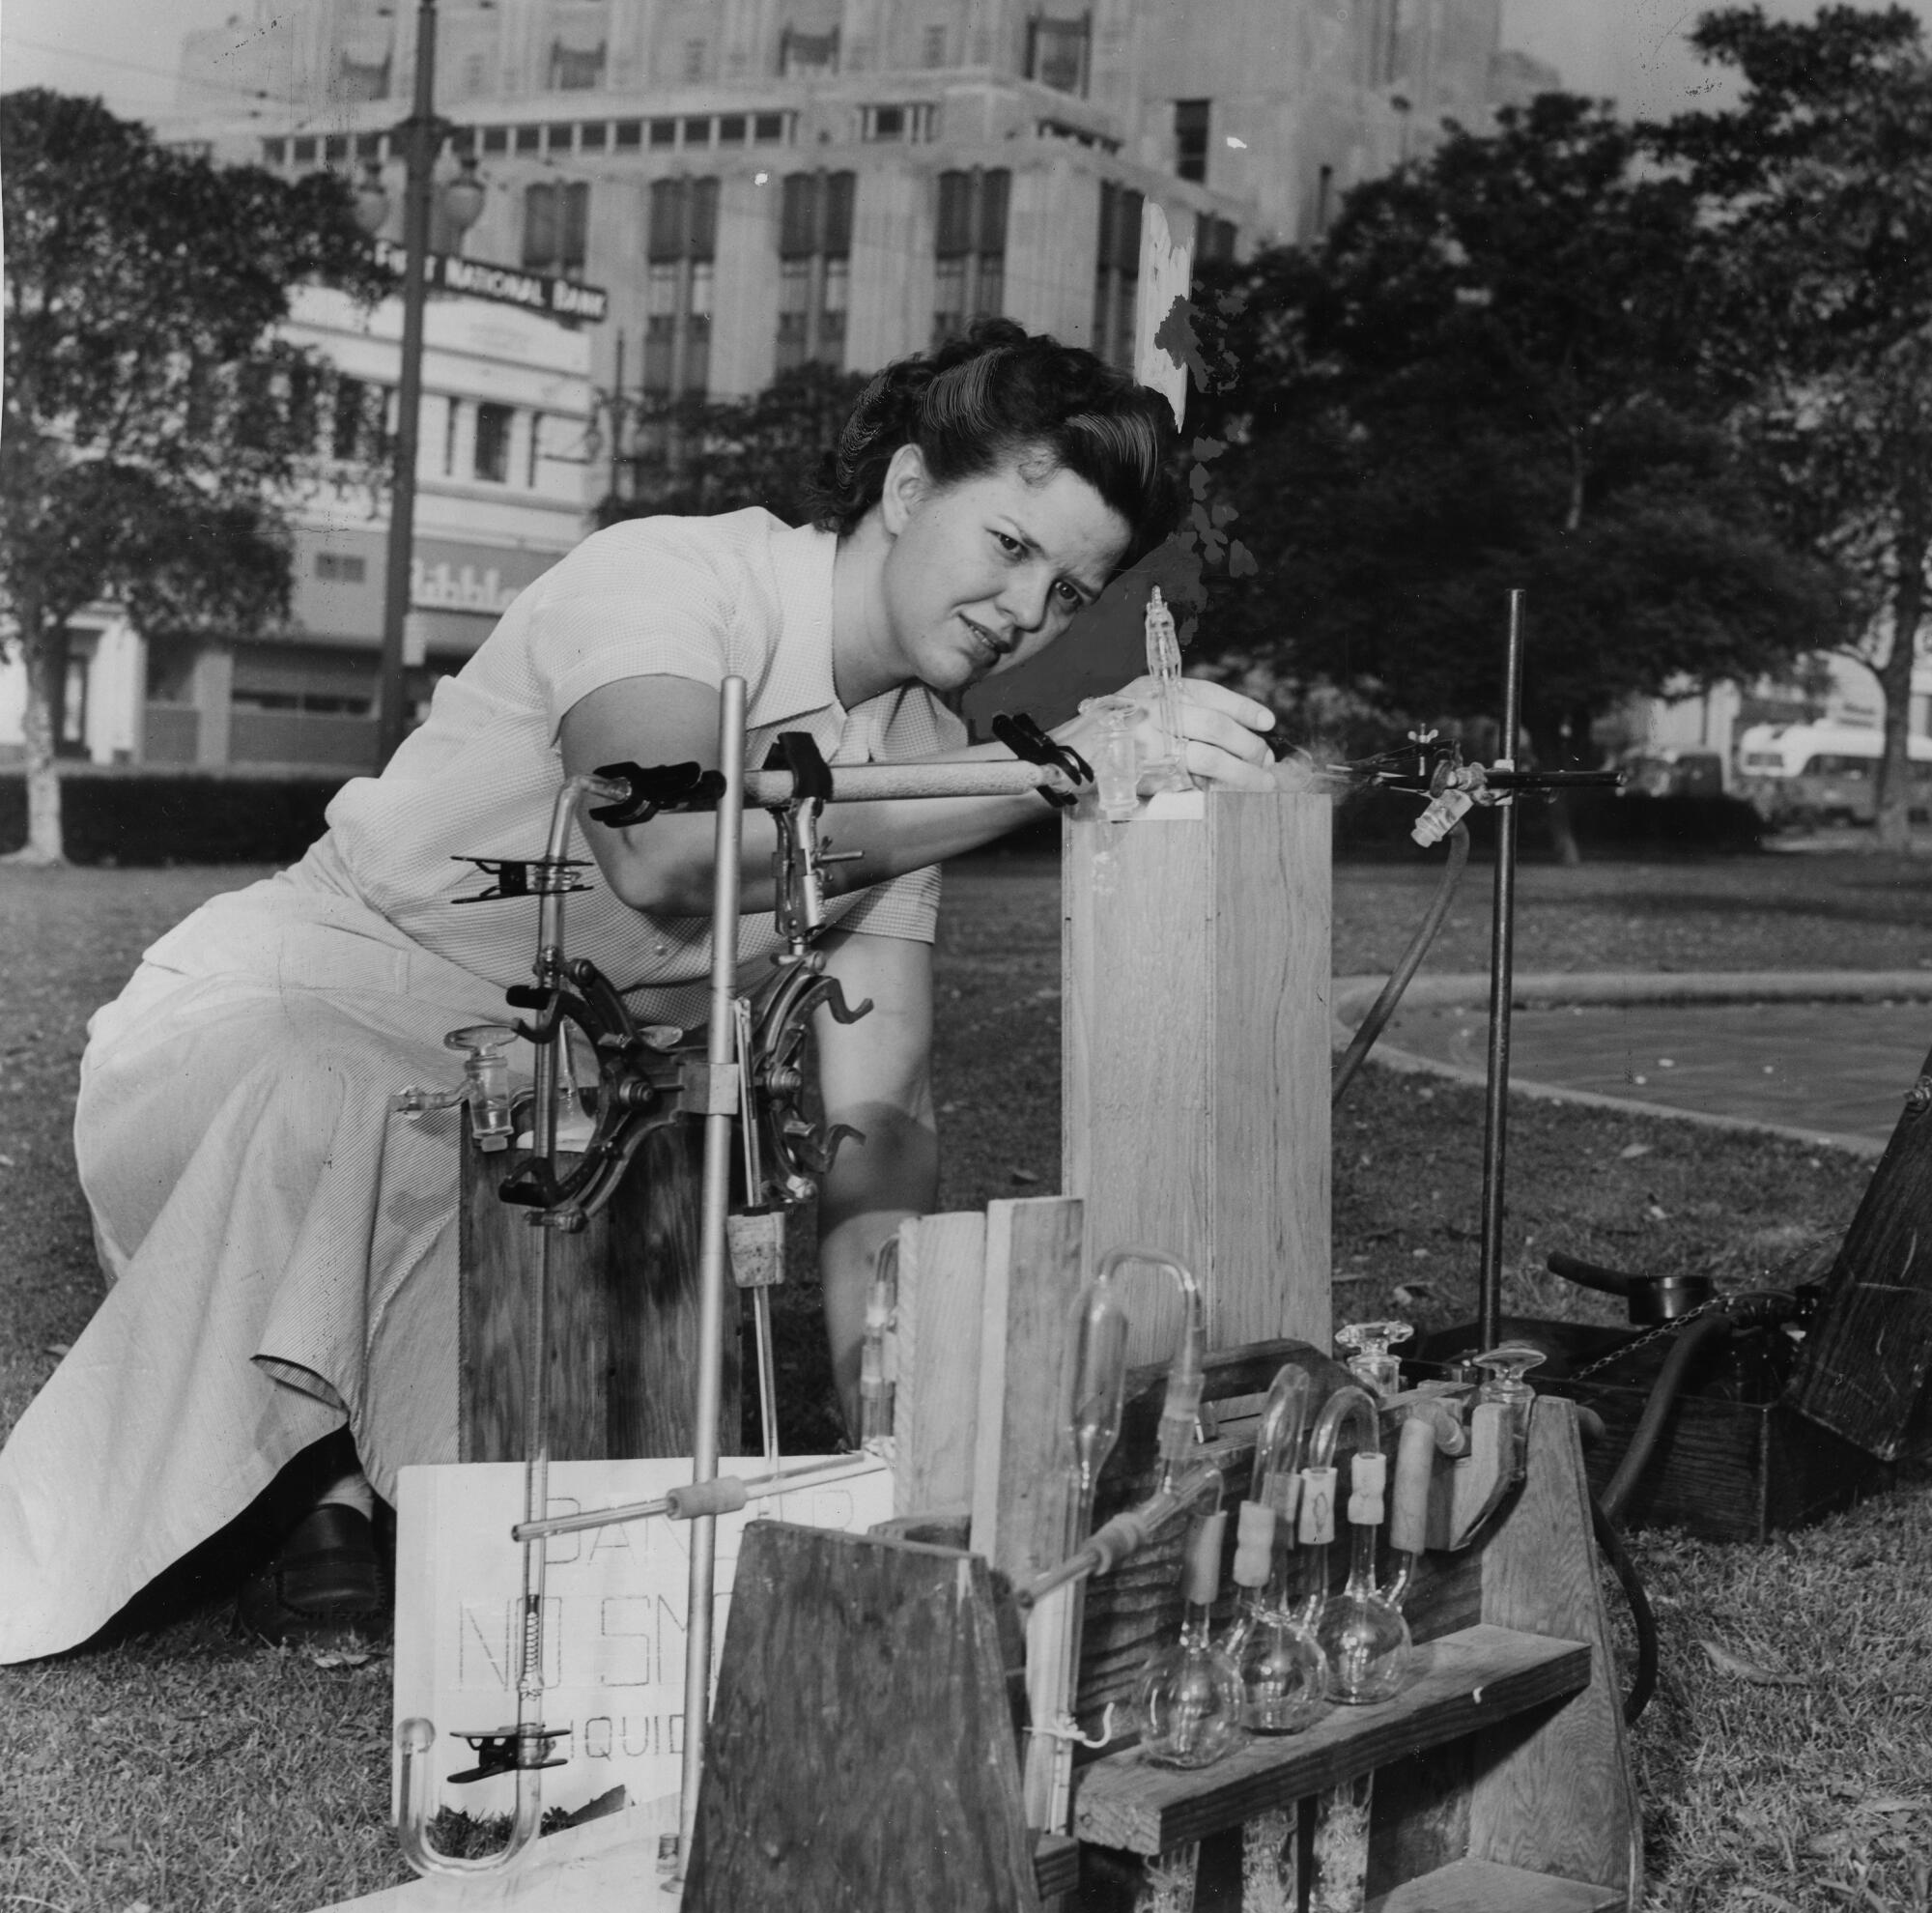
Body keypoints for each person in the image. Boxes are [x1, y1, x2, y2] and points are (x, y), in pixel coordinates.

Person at [0, 320, 1274, 1660]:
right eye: (1011, 546)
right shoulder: (672, 578)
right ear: (908, 491)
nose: (1025, 611)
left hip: (520, 1136)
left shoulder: (924, 754)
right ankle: (312, 1479)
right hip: (269, 1028)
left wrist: (898, 1430)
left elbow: (875, 1122)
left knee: (583, 1564)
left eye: (1069, 594)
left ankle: (353, 1473)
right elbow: (665, 847)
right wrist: (1043, 770)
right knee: (354, 1095)